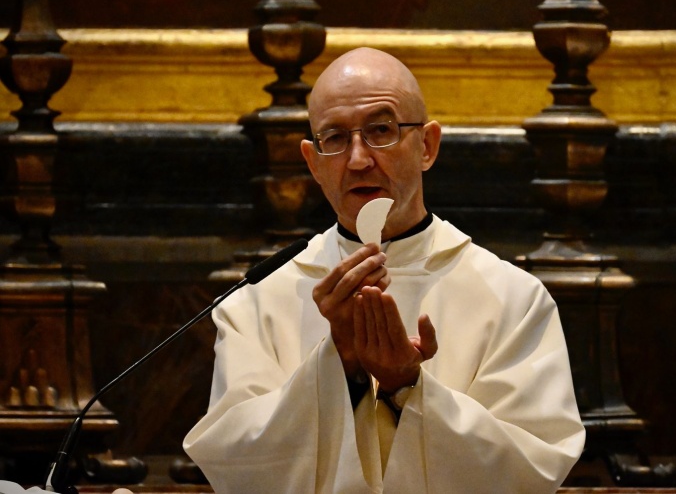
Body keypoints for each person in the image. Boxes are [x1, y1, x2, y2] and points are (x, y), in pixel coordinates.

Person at [183, 47, 585, 493]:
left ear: (427, 146)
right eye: (334, 138)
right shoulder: (255, 302)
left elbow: (531, 468)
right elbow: (236, 464)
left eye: (381, 130)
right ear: (313, 163)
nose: (357, 159)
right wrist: (340, 364)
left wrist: (406, 385)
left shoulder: (514, 300)